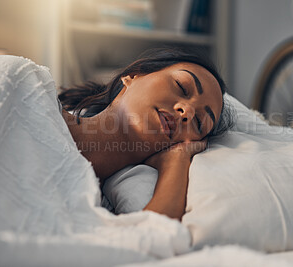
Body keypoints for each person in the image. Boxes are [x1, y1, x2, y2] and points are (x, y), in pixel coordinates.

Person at [59, 47, 234, 220]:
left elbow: (154, 238)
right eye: (182, 86)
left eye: (199, 122)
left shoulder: (99, 211)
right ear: (134, 75)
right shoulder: (37, 98)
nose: (187, 111)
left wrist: (176, 160)